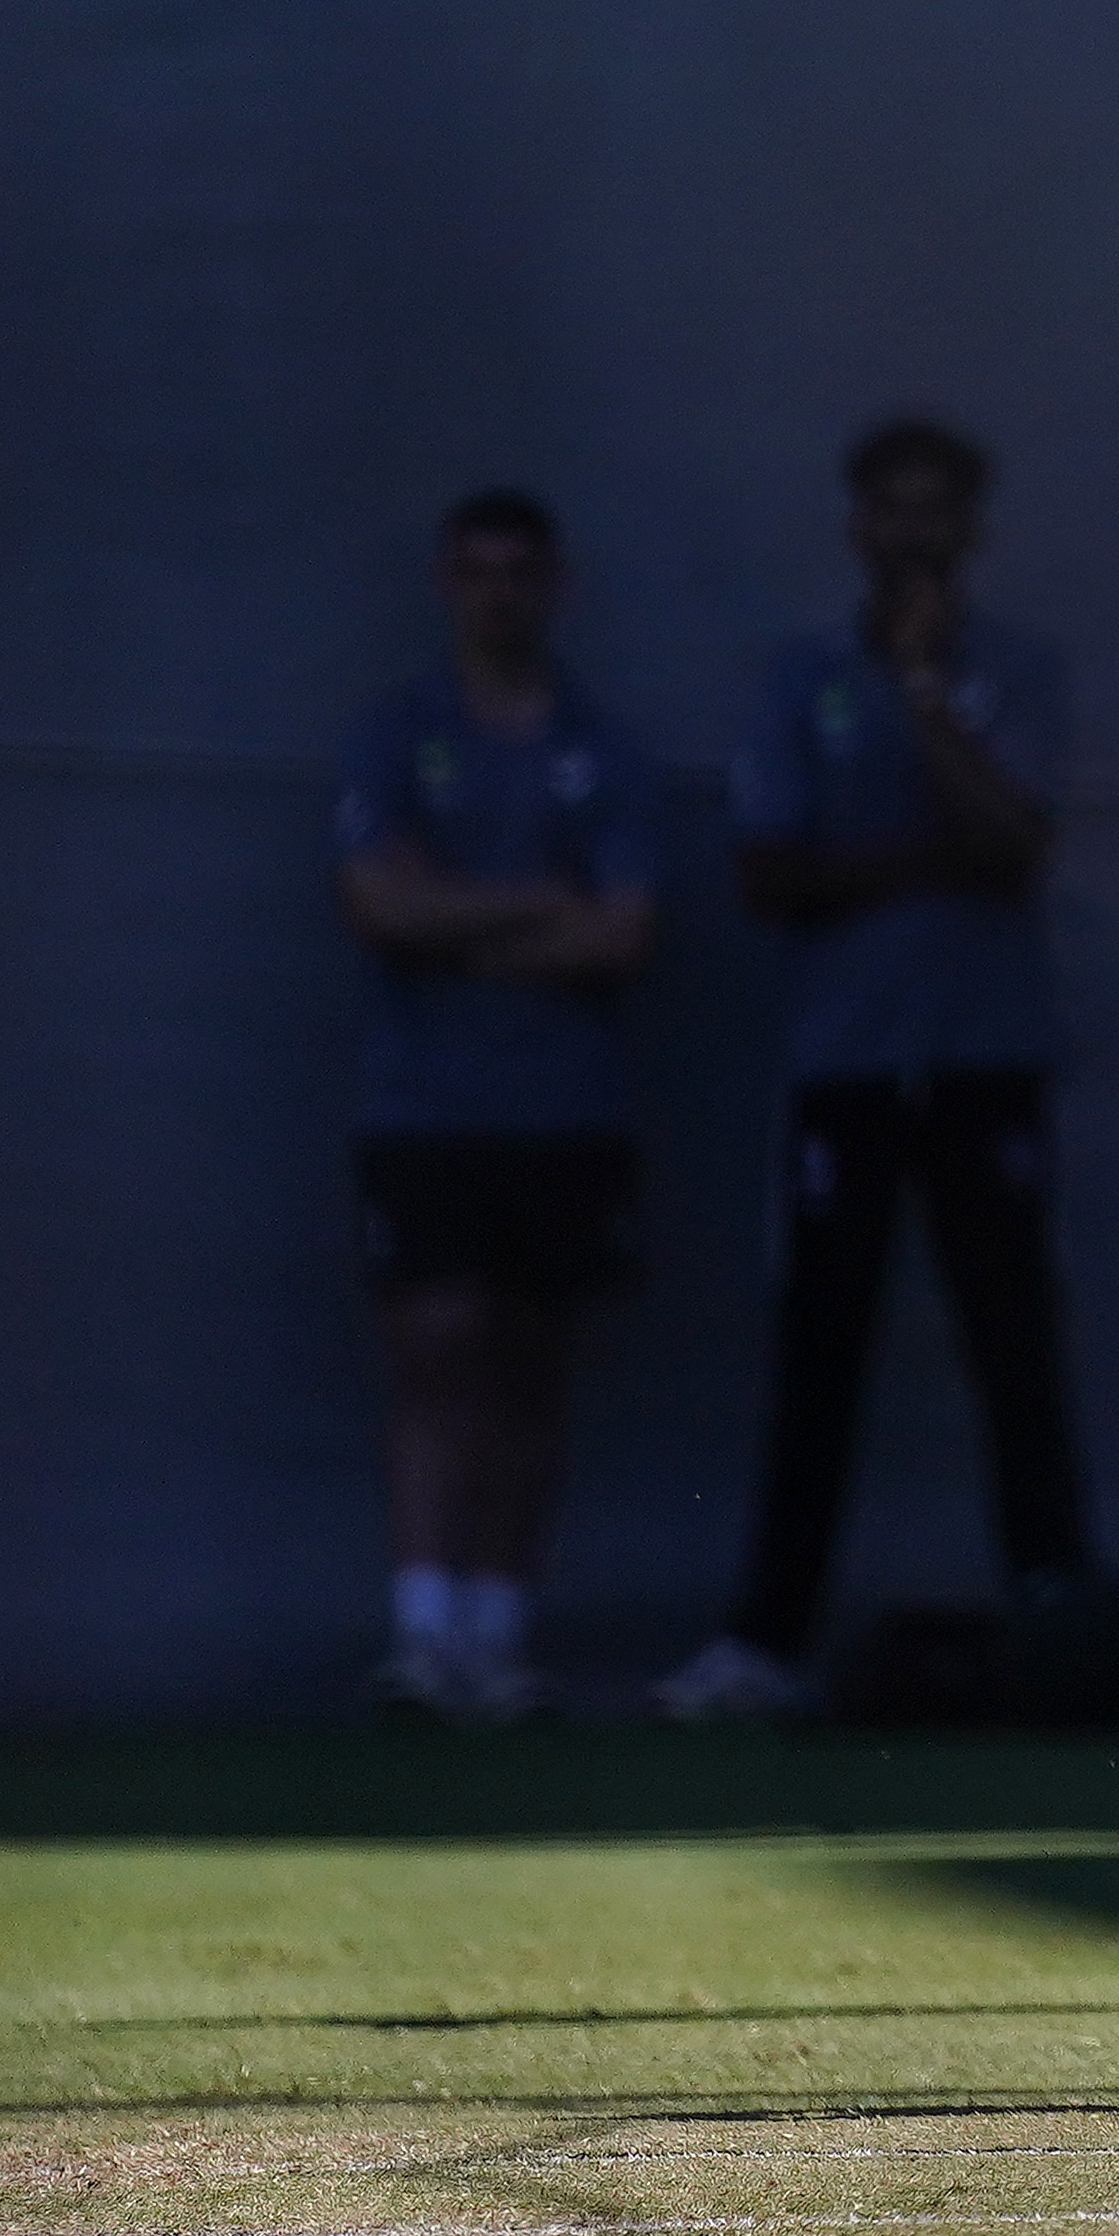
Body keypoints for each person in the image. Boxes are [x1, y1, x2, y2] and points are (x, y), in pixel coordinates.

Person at [653, 418, 1094, 1719]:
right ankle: (763, 1638)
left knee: (1016, 1347)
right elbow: (769, 870)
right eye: (889, 509)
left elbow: (1015, 843)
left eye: (935, 510)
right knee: (820, 1350)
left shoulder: (1018, 669)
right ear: (857, 524)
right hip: (846, 1064)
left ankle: (1056, 1617)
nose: (912, 533)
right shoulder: (799, 678)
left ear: (969, 528)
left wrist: (921, 700)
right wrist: (925, 857)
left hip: (985, 1056)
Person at [332, 488, 662, 1721]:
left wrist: (454, 912)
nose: (498, 592)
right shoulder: (393, 735)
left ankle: (500, 1632)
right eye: (475, 570)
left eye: (519, 570)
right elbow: (378, 905)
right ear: (443, 582)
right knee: (436, 1342)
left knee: (530, 1358)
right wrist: (539, 906)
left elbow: (623, 931)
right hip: (424, 1106)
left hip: (563, 1106)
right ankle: (423, 1633)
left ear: (553, 581)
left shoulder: (603, 747)